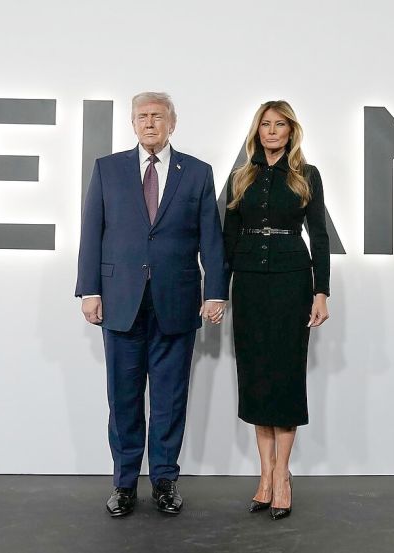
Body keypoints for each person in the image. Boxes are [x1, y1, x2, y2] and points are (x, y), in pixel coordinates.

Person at [75, 92, 228, 517]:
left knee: (169, 399)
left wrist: (215, 292)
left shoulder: (197, 172)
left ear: (171, 123)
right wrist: (89, 290)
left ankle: (164, 481)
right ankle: (124, 484)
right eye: (141, 116)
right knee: (123, 399)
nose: (149, 123)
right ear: (132, 123)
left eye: (157, 116)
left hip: (176, 302)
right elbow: (92, 231)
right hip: (120, 301)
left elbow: (211, 237)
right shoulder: (107, 169)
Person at [223, 100, 331, 520]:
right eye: (265, 124)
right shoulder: (240, 177)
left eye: (279, 124)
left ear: (290, 131)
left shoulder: (307, 175)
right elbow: (229, 237)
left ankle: (282, 475)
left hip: (292, 280)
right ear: (258, 131)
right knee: (256, 375)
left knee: (285, 375)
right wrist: (217, 291)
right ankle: (264, 474)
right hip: (249, 280)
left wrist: (321, 291)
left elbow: (319, 235)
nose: (271, 131)